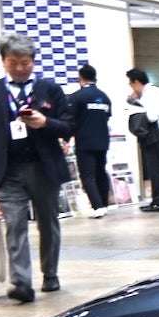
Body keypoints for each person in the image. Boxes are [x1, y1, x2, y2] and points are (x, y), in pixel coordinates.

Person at [0, 34, 73, 303]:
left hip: (44, 167)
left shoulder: (50, 88)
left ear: (33, 61)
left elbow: (68, 125)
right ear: (3, 61)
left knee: (48, 224)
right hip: (7, 171)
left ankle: (50, 273)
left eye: (25, 62)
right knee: (14, 224)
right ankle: (20, 282)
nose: (20, 68)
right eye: (13, 62)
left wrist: (45, 123)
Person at [67, 63, 113, 218]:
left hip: (85, 142)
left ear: (80, 78)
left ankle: (97, 206)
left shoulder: (76, 97)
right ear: (95, 78)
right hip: (103, 141)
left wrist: (66, 139)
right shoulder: (105, 97)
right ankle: (105, 204)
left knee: (87, 175)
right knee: (101, 172)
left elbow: (71, 121)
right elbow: (107, 117)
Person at [126, 68, 159, 212]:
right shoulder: (147, 93)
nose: (131, 87)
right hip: (153, 134)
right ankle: (157, 200)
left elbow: (152, 116)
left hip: (155, 134)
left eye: (131, 83)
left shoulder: (152, 93)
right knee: (153, 169)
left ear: (137, 82)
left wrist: (137, 108)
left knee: (155, 169)